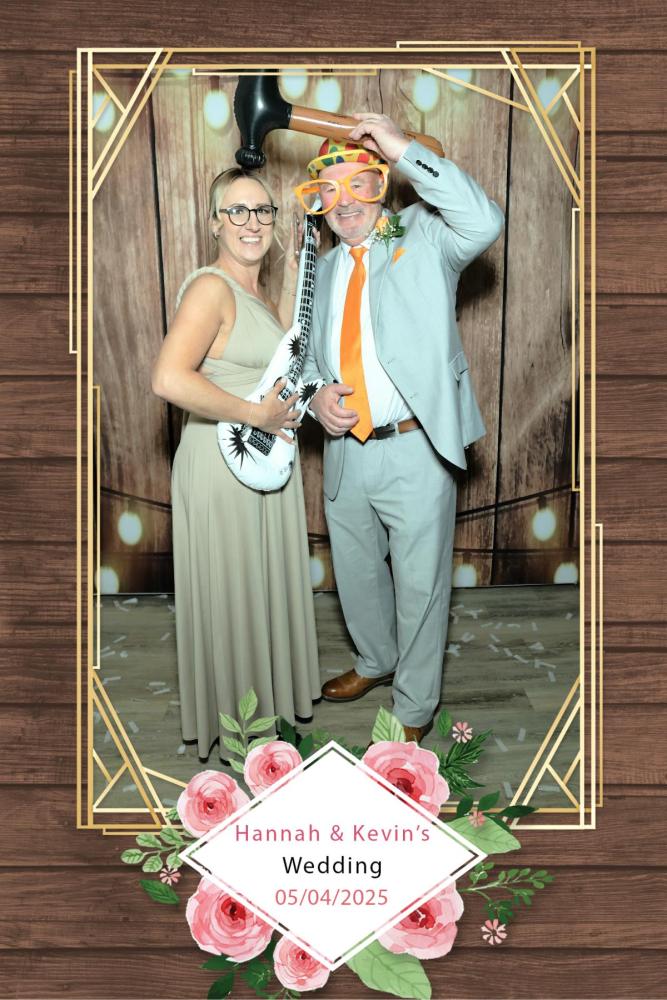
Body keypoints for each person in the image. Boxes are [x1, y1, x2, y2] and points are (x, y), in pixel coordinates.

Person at [297, 114, 504, 743]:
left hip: (415, 445)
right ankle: (375, 660)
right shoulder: (321, 270)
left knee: (420, 585)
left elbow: (485, 220)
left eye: (357, 183)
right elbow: (306, 357)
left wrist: (400, 146)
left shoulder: (423, 233)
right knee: (357, 574)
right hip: (345, 449)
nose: (343, 203)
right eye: (328, 190)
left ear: (381, 183)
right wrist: (314, 396)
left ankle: (414, 706)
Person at [152, 168, 320, 760]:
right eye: (237, 211)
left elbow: (280, 357)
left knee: (257, 594)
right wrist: (257, 414)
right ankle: (243, 737)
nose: (252, 223)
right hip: (222, 464)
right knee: (233, 599)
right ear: (214, 223)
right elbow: (167, 379)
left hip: (260, 457)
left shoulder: (257, 293)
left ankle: (264, 722)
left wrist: (296, 269)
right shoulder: (211, 288)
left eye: (263, 211)